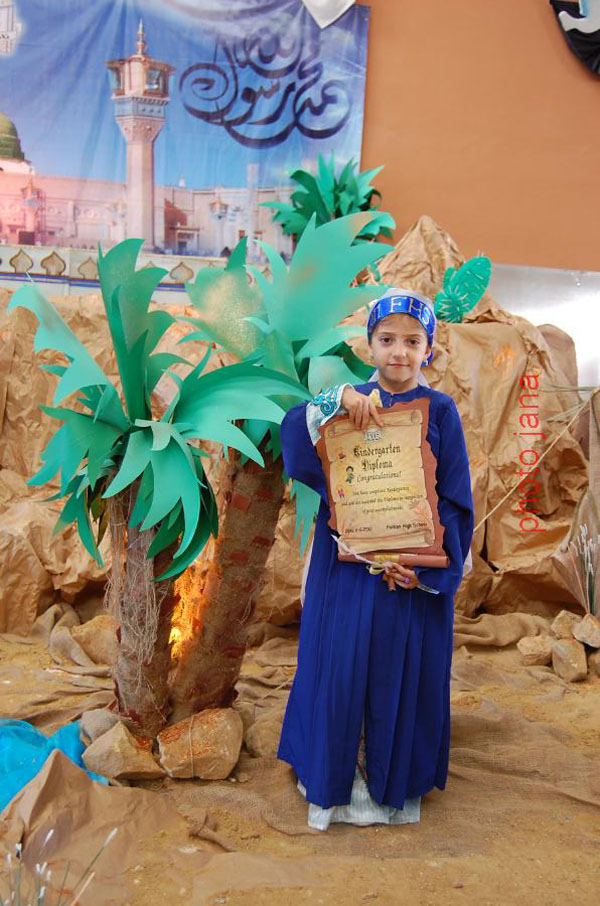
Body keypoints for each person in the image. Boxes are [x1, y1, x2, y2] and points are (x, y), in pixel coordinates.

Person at [277, 289, 474, 831]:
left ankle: (390, 784)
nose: (399, 352)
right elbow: (294, 437)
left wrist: (428, 568)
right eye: (387, 339)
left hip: (406, 577)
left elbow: (455, 498)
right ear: (369, 345)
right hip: (347, 569)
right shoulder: (347, 401)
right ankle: (333, 780)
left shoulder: (440, 411)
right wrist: (334, 400)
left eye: (413, 341)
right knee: (341, 665)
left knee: (395, 667)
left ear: (429, 349)